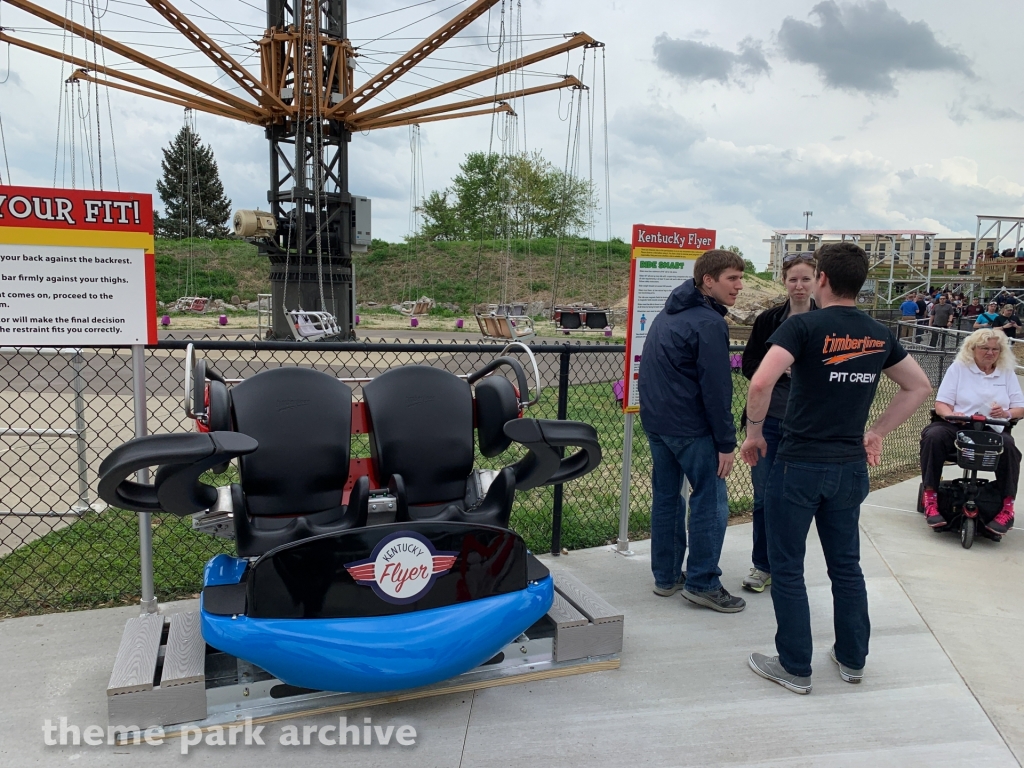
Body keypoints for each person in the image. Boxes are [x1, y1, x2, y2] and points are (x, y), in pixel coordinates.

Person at [740, 242, 932, 694]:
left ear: (822, 278)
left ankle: (795, 666)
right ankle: (852, 658)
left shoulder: (804, 327)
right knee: (846, 566)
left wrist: (753, 434)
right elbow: (918, 385)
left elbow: (762, 380)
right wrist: (877, 430)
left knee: (787, 567)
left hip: (800, 464)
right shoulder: (878, 333)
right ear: (860, 282)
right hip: (849, 467)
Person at [638, 248, 747, 613]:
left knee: (668, 497)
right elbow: (717, 389)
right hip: (692, 428)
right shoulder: (708, 322)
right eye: (732, 278)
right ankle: (702, 582)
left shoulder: (669, 315)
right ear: (708, 281)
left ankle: (666, 577)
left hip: (658, 424)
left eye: (740, 278)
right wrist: (726, 442)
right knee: (710, 499)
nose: (740, 286)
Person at [740, 254, 817, 594]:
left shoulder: (827, 320)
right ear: (783, 282)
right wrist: (774, 372)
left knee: (798, 500)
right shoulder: (769, 320)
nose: (799, 286)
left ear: (818, 280)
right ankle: (763, 565)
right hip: (770, 422)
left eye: (805, 279)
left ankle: (789, 566)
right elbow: (749, 364)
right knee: (764, 498)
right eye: (792, 279)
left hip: (809, 426)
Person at [920, 328, 1023, 534]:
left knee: (1009, 448)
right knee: (933, 436)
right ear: (972, 349)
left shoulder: (1006, 372)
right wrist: (951, 414)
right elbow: (941, 404)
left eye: (995, 349)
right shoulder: (959, 368)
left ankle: (1007, 507)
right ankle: (930, 498)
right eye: (985, 348)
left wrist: (1005, 413)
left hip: (992, 426)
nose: (990, 353)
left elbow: (1019, 407)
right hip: (958, 425)